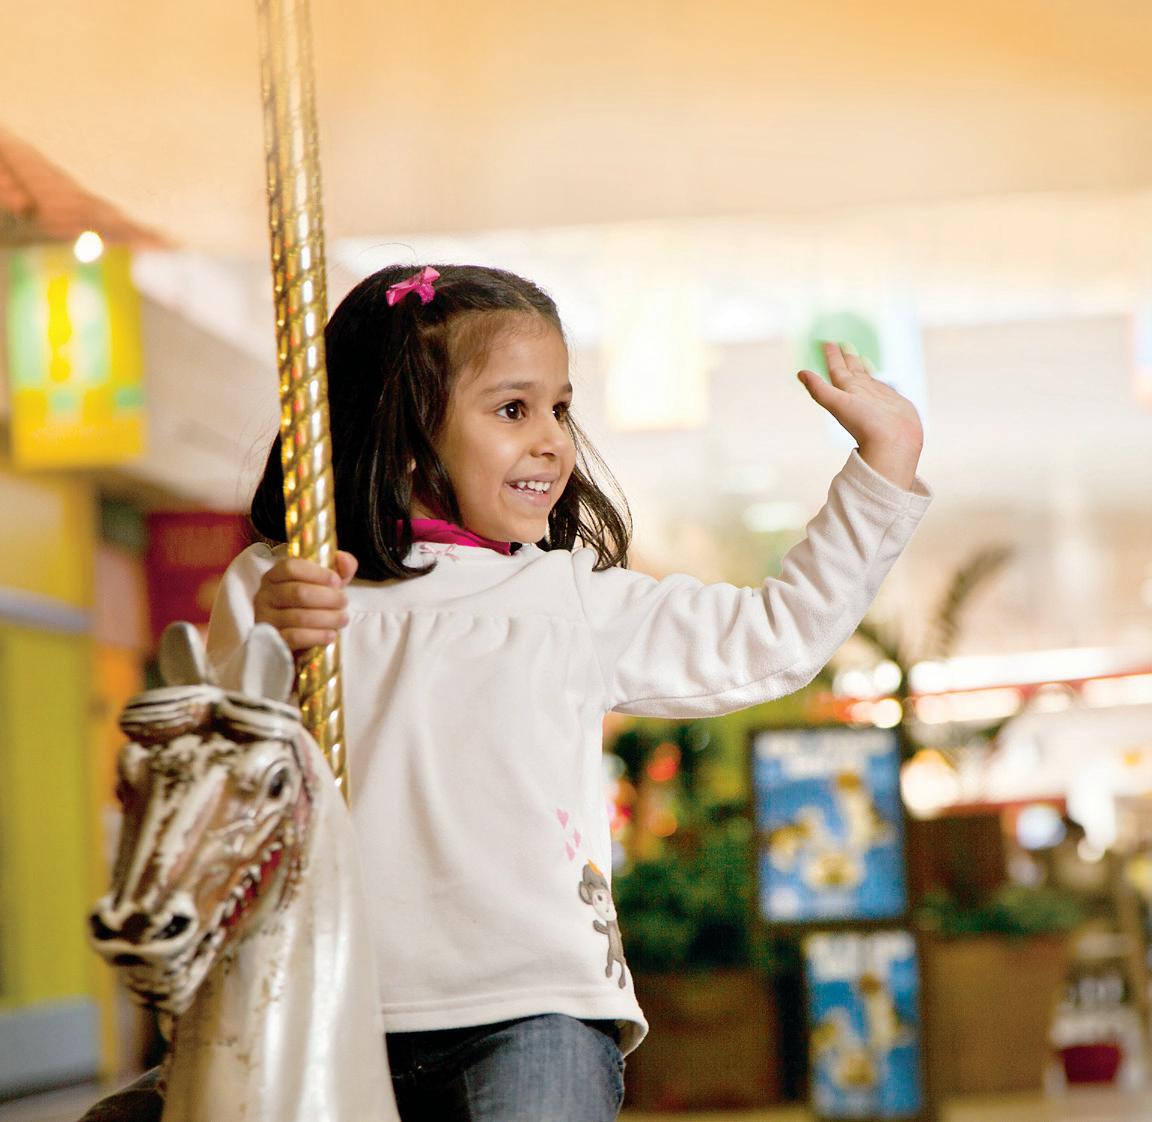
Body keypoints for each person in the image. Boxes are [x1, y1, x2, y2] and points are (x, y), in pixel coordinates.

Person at [91, 262, 930, 1122]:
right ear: (405, 427)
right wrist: (269, 643)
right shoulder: (287, 582)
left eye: (559, 408)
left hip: (530, 1004)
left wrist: (884, 465)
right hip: (318, 997)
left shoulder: (567, 599)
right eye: (512, 410)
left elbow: (771, 636)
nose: (553, 440)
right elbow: (216, 771)